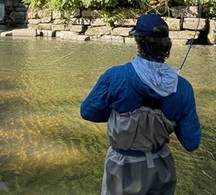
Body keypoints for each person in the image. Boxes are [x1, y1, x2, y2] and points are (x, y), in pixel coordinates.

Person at [81, 14, 201, 195]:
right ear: (167, 45)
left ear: (139, 42)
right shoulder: (183, 87)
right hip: (162, 168)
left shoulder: (115, 76)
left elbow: (87, 112)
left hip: (122, 168)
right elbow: (192, 143)